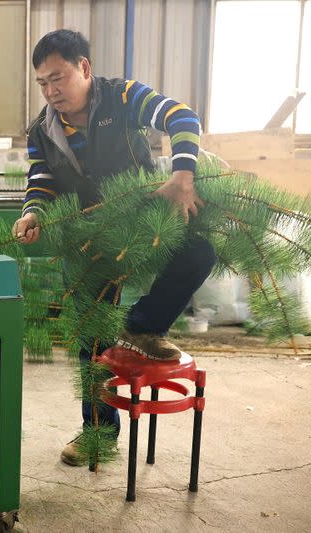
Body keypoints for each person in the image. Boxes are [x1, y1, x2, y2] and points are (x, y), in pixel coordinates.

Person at [11, 30, 216, 466]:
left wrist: (183, 176)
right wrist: (33, 213)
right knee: (93, 338)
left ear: (84, 68)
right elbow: (41, 179)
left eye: (58, 78)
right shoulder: (42, 130)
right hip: (89, 241)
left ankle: (143, 323)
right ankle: (98, 433)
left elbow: (183, 117)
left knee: (199, 251)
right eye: (42, 83)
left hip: (144, 221)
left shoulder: (125, 97)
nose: (50, 91)